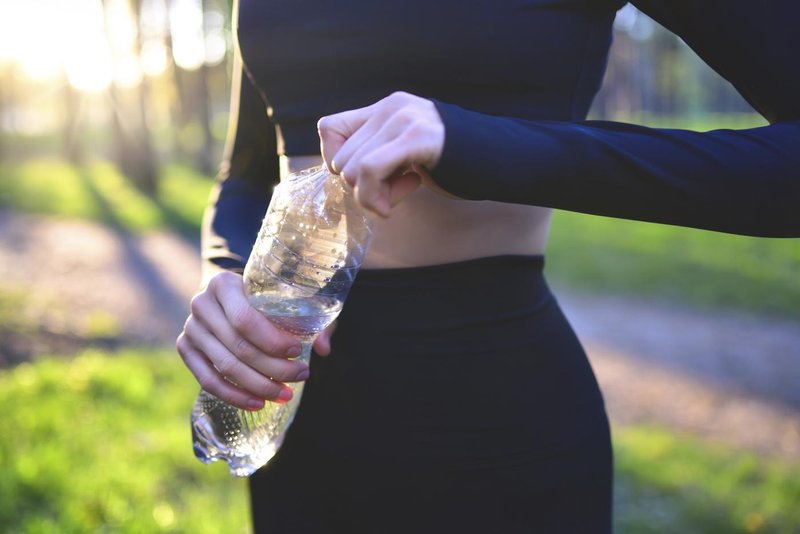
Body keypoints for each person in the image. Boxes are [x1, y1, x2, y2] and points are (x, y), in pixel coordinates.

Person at [176, 0, 800, 531]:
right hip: (299, 423)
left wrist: (484, 143)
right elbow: (245, 175)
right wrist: (226, 272)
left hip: (498, 422)